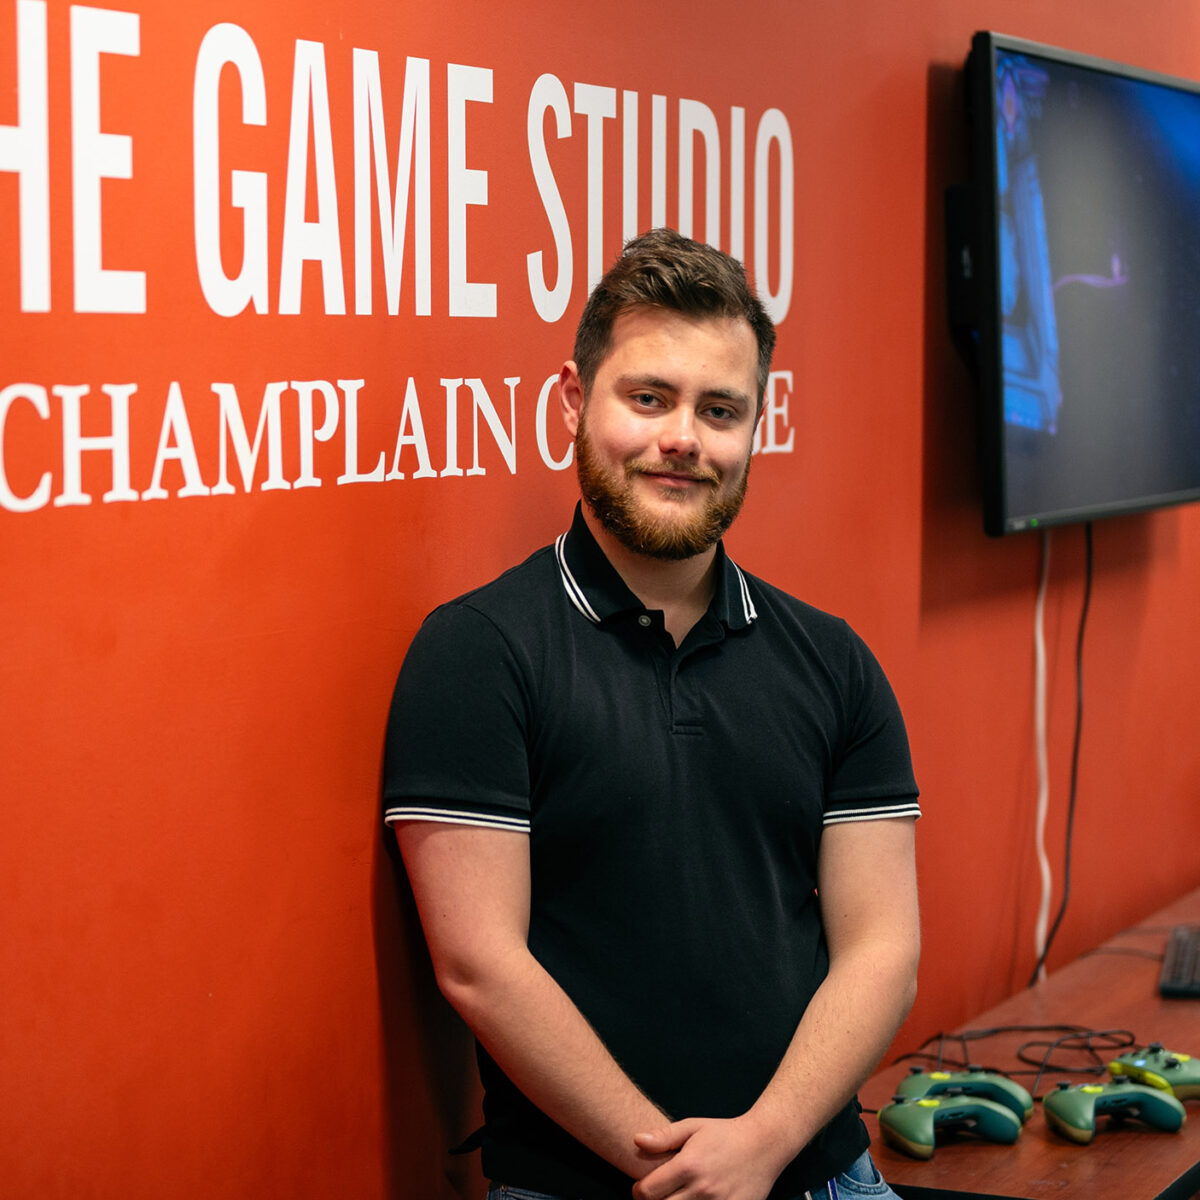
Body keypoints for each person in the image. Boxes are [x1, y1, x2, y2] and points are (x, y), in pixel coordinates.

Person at [383, 228, 921, 1200]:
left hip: (822, 1175)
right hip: (584, 1185)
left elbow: (882, 950)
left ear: (756, 425)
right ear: (573, 401)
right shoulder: (476, 656)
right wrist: (681, 1177)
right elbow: (479, 966)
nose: (683, 438)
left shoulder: (833, 661)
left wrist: (763, 1145)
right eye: (648, 398)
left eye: (720, 409)